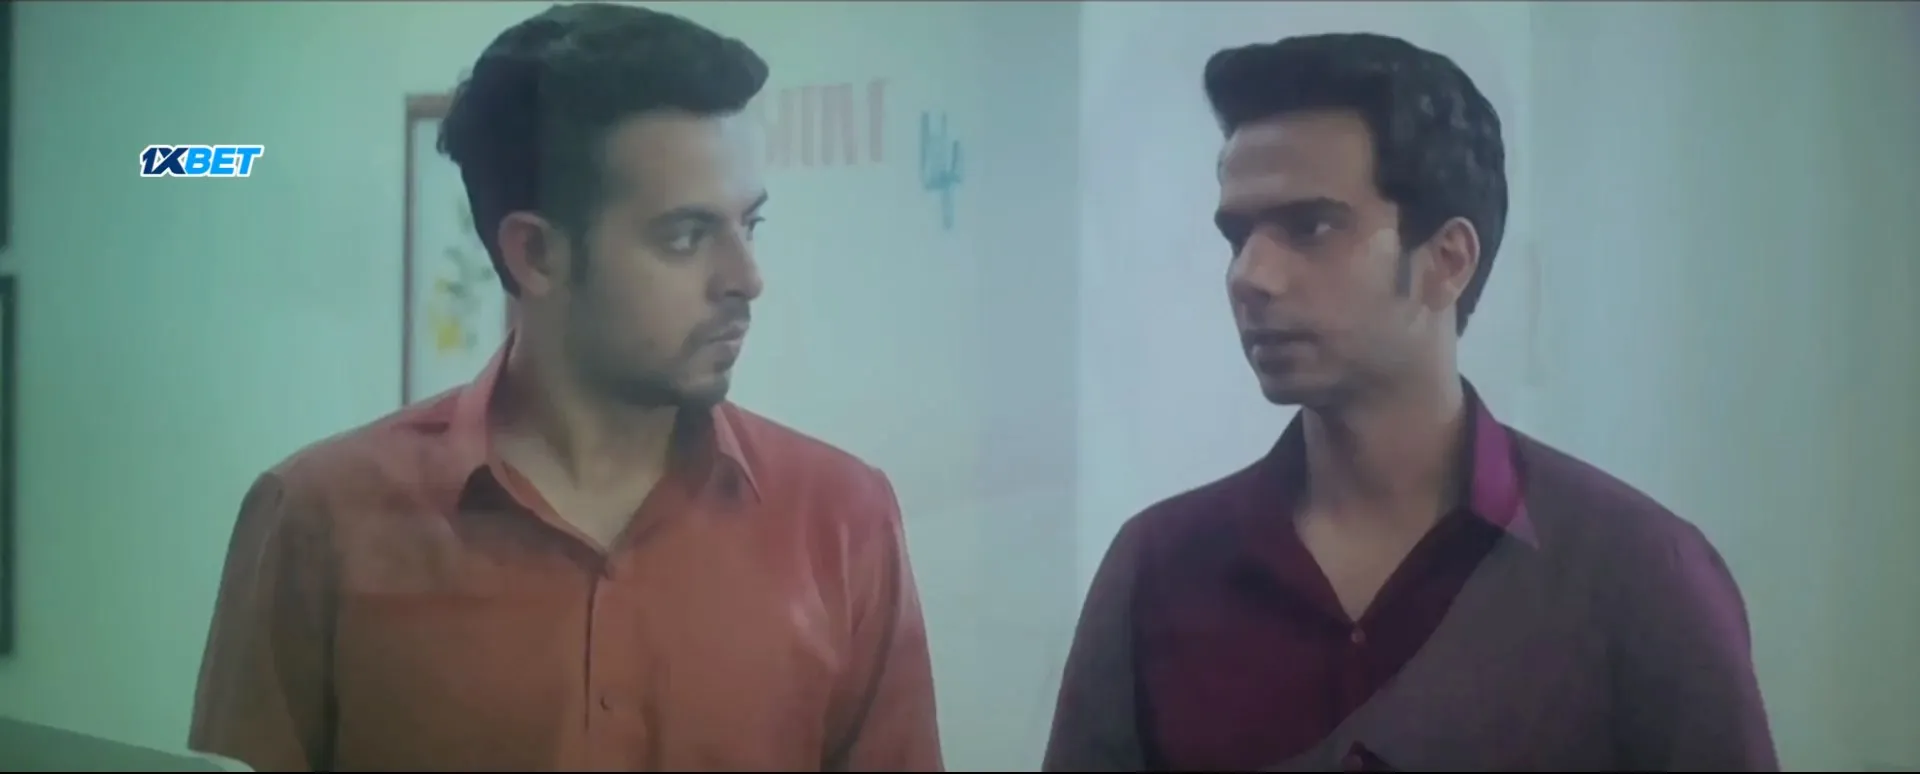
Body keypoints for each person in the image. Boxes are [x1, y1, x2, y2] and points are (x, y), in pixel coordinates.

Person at [188, 5, 944, 771]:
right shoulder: (320, 520)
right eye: (686, 237)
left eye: (749, 226)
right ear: (537, 254)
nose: (747, 279)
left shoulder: (842, 520)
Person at [1043, 33, 1777, 773]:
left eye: (1310, 227)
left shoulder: (1641, 576)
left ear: (1448, 261)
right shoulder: (1158, 570)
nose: (1250, 276)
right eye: (1238, 236)